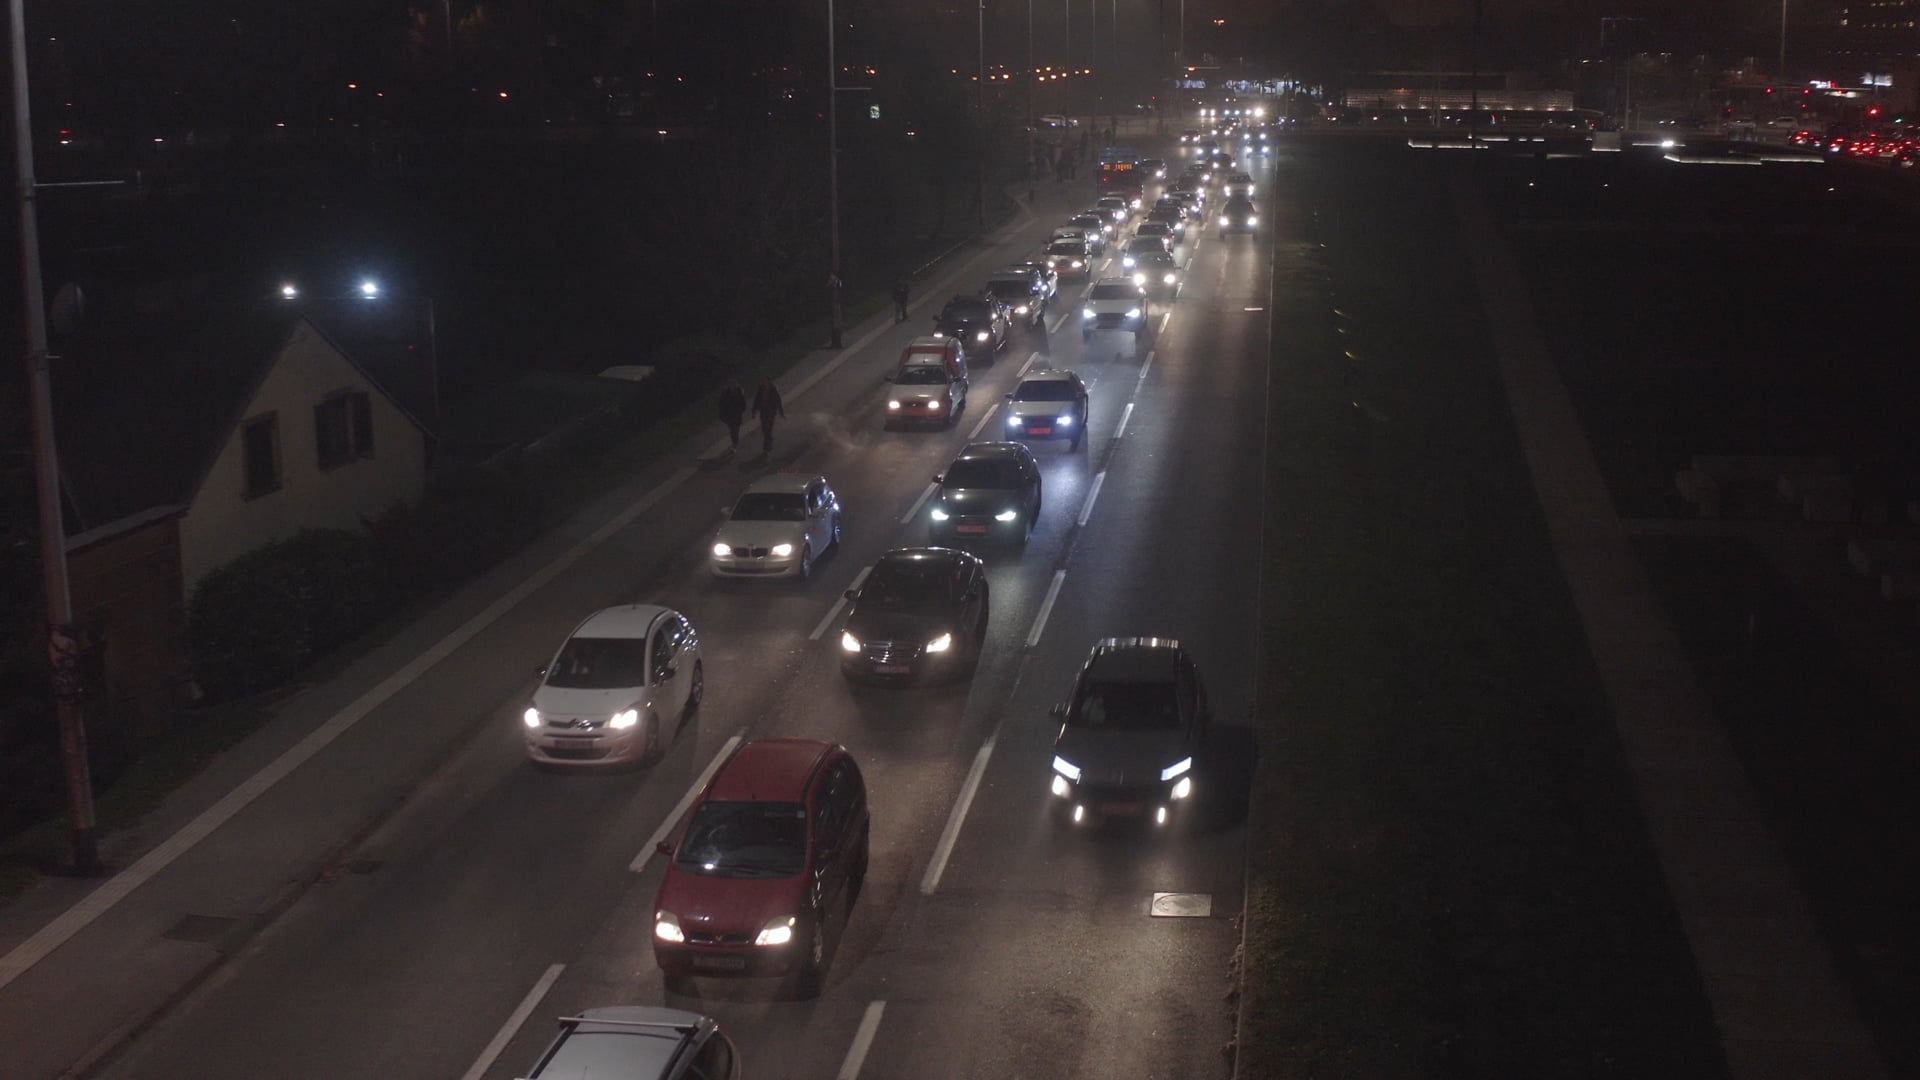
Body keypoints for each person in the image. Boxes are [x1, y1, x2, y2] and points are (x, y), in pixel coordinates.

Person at [751, 379, 785, 456]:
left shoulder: (774, 391)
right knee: (764, 430)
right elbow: (756, 401)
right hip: (763, 412)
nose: (766, 385)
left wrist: (781, 412)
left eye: (768, 383)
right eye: (765, 383)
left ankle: (766, 448)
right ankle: (769, 442)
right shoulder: (760, 390)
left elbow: (778, 402)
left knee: (768, 430)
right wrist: (754, 412)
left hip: (771, 413)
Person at [716, 377, 747, 451]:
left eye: (734, 385)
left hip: (737, 415)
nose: (732, 387)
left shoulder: (740, 393)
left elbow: (743, 404)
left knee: (735, 430)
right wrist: (722, 415)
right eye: (731, 385)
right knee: (732, 430)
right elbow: (721, 404)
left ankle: (735, 444)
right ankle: (734, 444)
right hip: (728, 416)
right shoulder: (725, 394)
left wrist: (740, 411)